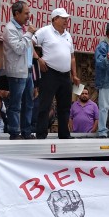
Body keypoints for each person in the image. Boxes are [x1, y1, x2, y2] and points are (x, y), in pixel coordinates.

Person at [32, 8, 80, 139]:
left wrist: (74, 74)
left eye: (66, 18)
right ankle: (41, 133)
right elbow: (29, 43)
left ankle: (64, 134)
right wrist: (38, 59)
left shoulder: (68, 35)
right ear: (55, 19)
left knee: (65, 106)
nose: (66, 20)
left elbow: (72, 57)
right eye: (63, 18)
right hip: (50, 73)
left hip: (65, 75)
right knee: (45, 104)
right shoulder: (44, 31)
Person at [2, 0, 37, 140]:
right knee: (16, 104)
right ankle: (14, 132)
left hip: (28, 70)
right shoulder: (10, 28)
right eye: (26, 13)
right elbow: (18, 48)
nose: (29, 16)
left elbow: (28, 49)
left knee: (29, 103)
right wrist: (29, 34)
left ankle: (26, 131)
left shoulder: (23, 28)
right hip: (17, 72)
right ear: (17, 13)